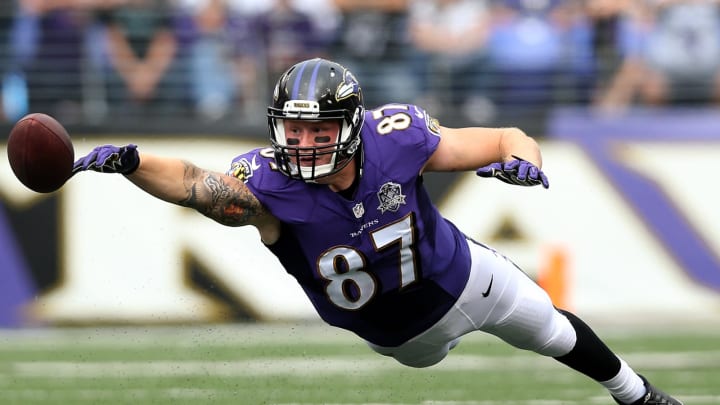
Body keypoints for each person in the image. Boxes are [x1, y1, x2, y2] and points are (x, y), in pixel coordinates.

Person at [71, 58, 683, 405]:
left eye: (319, 129)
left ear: (353, 125)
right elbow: (194, 183)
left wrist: (527, 161)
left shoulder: (398, 137)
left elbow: (501, 138)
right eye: (294, 128)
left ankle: (640, 396)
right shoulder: (267, 187)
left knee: (548, 326)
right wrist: (131, 163)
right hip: (398, 335)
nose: (303, 142)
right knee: (443, 355)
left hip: (463, 276)